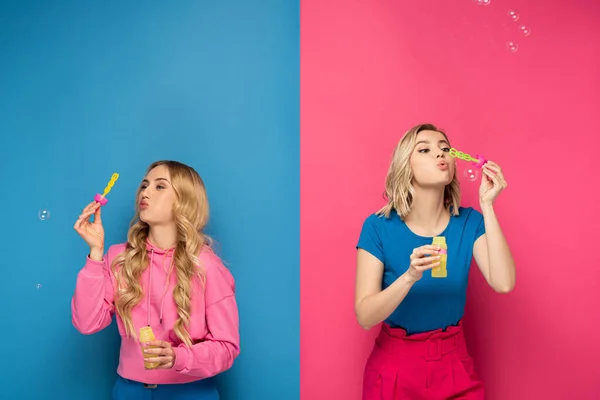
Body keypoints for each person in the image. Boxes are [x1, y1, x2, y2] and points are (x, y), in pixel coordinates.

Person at [355, 124, 516, 400]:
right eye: (425, 149)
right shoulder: (378, 227)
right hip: (394, 371)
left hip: (455, 366)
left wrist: (487, 205)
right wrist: (409, 277)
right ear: (405, 164)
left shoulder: (469, 222)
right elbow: (365, 316)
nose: (440, 153)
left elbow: (503, 283)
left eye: (444, 148)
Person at [71, 160, 240, 400]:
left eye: (160, 187)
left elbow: (227, 347)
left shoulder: (207, 266)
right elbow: (86, 323)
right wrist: (96, 254)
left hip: (190, 393)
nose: (145, 192)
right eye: (144, 185)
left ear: (184, 200)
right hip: (128, 391)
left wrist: (179, 357)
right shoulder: (118, 257)